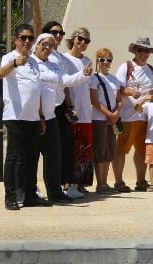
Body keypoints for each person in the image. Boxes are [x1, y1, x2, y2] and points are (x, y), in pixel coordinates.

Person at [0, 24, 48, 210]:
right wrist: (15, 63)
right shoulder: (9, 57)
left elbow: (37, 90)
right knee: (14, 157)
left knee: (31, 158)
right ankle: (10, 197)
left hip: (33, 117)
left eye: (30, 38)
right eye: (23, 38)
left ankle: (29, 195)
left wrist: (41, 116)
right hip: (15, 116)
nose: (27, 41)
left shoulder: (34, 61)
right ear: (15, 40)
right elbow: (0, 74)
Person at [33, 33, 89, 203]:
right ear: (37, 44)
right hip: (32, 116)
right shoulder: (30, 63)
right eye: (44, 44)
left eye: (50, 45)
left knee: (54, 156)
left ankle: (54, 192)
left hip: (51, 116)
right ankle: (29, 191)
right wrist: (39, 114)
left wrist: (83, 74)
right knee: (31, 156)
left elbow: (67, 81)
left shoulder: (54, 66)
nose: (47, 48)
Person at [114, 36, 153, 192]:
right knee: (121, 149)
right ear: (134, 50)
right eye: (140, 50)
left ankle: (141, 181)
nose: (143, 53)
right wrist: (130, 92)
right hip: (127, 117)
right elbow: (118, 88)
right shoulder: (125, 67)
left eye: (146, 51)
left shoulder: (151, 70)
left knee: (141, 150)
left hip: (145, 117)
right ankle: (119, 182)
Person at [64, 28, 95, 197]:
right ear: (73, 39)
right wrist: (70, 106)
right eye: (80, 39)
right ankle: (69, 183)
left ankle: (81, 183)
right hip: (73, 109)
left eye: (86, 40)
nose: (83, 43)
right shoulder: (65, 59)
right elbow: (66, 85)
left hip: (85, 112)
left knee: (85, 147)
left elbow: (88, 86)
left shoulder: (88, 61)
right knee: (72, 147)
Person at [89, 48, 125, 194]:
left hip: (112, 119)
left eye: (108, 60)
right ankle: (100, 183)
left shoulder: (114, 79)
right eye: (102, 59)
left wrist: (116, 114)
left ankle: (105, 181)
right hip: (99, 119)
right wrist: (109, 115)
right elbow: (94, 101)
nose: (105, 62)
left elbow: (119, 99)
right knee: (100, 150)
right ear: (97, 61)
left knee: (109, 150)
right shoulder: (94, 78)